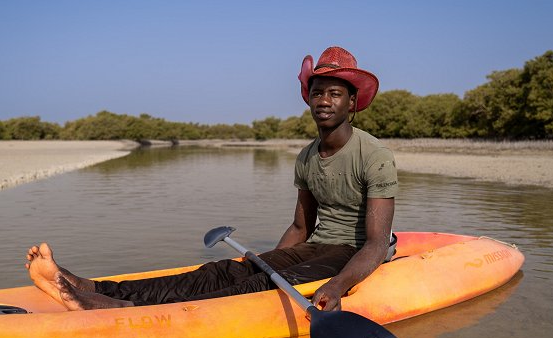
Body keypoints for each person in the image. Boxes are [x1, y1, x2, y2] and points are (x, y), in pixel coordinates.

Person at [25, 46, 398, 312]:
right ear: (308, 100)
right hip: (315, 247)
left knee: (254, 284)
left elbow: (377, 243)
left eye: (336, 93)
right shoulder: (306, 156)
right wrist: (266, 259)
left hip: (351, 253)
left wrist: (337, 286)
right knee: (222, 271)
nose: (324, 100)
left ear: (352, 103)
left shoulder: (374, 156)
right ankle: (93, 287)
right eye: (317, 92)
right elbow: (301, 226)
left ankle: (122, 309)